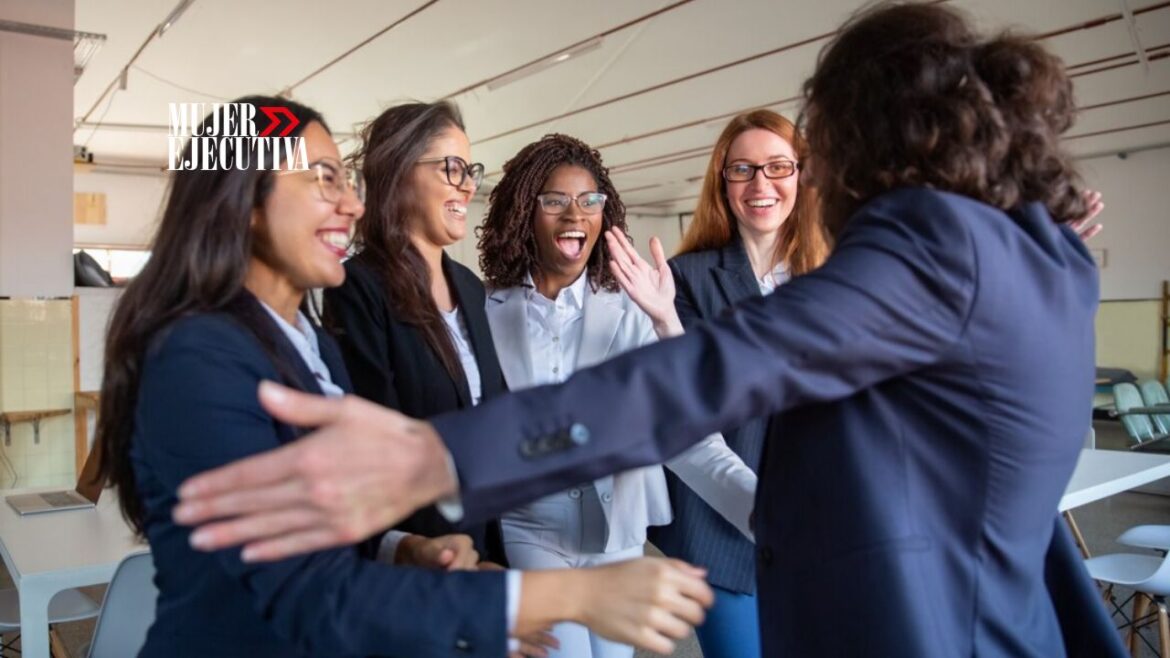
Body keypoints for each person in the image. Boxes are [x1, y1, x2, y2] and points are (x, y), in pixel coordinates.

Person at [172, 4, 1126, 656]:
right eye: (320, 175)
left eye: (807, 147)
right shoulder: (1041, 259)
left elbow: (712, 373)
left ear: (855, 136)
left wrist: (436, 463)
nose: (347, 199)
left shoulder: (937, 244)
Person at [94, 96, 713, 658]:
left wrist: (403, 548)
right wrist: (565, 598)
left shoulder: (303, 343)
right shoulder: (197, 358)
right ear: (244, 201)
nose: (352, 203)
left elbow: (327, 519)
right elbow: (299, 592)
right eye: (323, 180)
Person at [477, 133, 757, 658]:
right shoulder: (486, 311)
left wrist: (768, 510)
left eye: (590, 201)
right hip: (531, 529)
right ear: (523, 214)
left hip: (619, 535)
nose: (574, 215)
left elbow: (688, 431)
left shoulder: (634, 310)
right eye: (554, 200)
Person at [629, 109, 829, 658]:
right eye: (742, 169)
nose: (760, 184)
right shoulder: (686, 278)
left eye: (777, 167)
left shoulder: (835, 275)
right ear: (723, 181)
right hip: (718, 531)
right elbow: (688, 403)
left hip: (823, 523)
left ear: (803, 176)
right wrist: (666, 324)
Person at [322, 101, 509, 567]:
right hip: (417, 555)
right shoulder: (357, 289)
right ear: (400, 172)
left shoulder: (468, 285)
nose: (468, 185)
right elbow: (372, 450)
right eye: (452, 168)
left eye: (471, 170)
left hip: (482, 542)